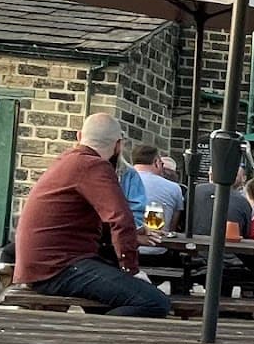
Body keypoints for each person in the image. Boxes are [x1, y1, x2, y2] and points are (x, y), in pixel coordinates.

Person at [12, 113, 170, 317]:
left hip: (45, 265)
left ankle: (95, 336)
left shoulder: (68, 161)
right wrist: (132, 270)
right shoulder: (94, 166)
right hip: (59, 268)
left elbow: (98, 220)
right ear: (118, 145)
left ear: (79, 136)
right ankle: (86, 339)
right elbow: (120, 218)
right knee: (154, 302)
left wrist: (134, 234)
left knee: (119, 298)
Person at [191, 164, 252, 238]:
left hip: (193, 244)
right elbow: (246, 232)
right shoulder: (242, 201)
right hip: (227, 246)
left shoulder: (195, 190)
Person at [133, 145, 184, 232]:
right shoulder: (173, 188)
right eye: (162, 164)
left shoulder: (119, 181)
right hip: (158, 242)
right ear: (156, 162)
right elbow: (172, 226)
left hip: (124, 242)